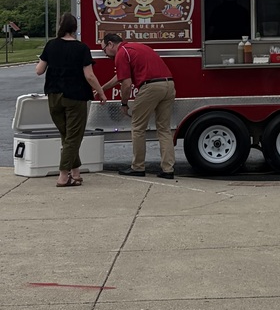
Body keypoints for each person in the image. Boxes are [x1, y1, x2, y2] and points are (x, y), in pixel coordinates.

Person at [35, 13, 107, 187]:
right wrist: (101, 93)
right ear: (75, 28)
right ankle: (63, 175)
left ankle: (75, 173)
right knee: (74, 137)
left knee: (67, 136)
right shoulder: (81, 48)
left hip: (54, 96)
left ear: (60, 26)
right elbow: (89, 75)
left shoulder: (51, 45)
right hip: (76, 96)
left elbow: (39, 70)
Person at [101, 34, 176, 178]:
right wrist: (102, 88)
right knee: (164, 129)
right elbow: (120, 77)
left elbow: (126, 84)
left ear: (110, 44)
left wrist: (124, 103)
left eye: (104, 50)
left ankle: (138, 167)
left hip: (151, 87)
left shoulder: (121, 53)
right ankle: (168, 169)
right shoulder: (136, 47)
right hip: (169, 85)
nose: (105, 54)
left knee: (137, 127)